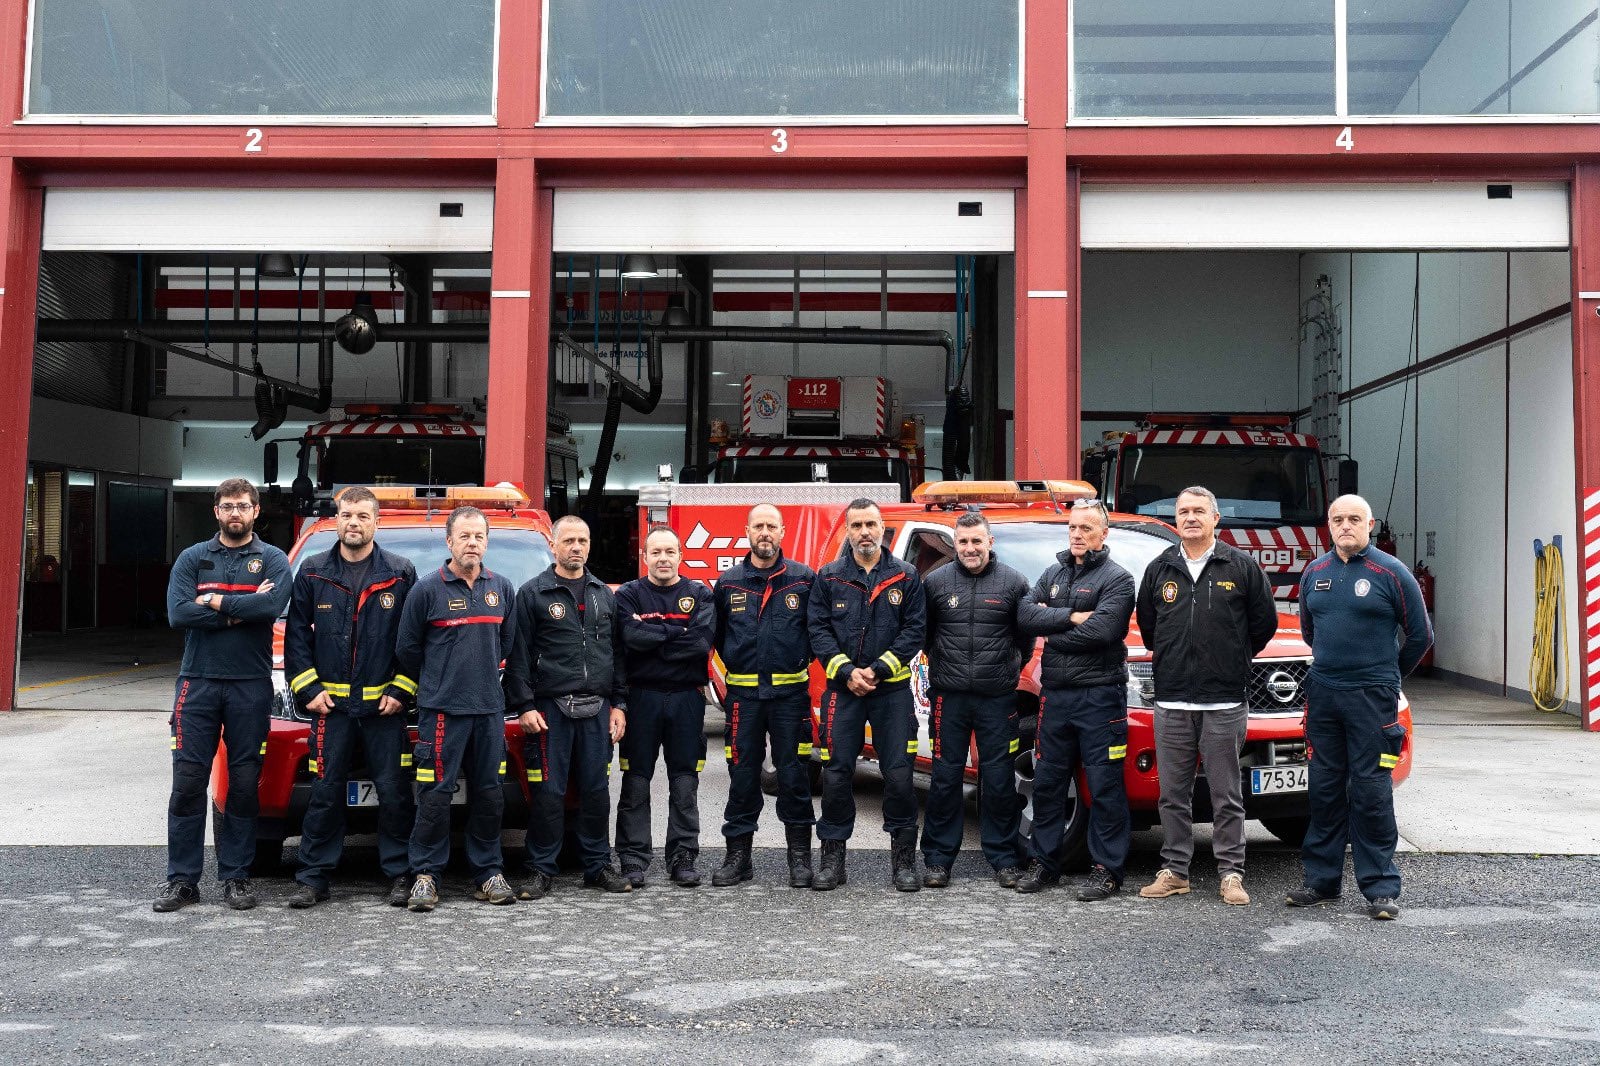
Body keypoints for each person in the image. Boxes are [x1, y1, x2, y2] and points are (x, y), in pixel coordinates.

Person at [1289, 494, 1431, 921]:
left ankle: (1380, 888)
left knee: (1370, 791)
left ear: (1369, 524)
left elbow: (1420, 636)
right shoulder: (1314, 572)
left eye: (1354, 519)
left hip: (1374, 700)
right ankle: (1321, 881)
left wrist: (1387, 676)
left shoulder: (1390, 572)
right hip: (1325, 694)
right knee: (1325, 789)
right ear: (1328, 526)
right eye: (1338, 519)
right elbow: (1310, 632)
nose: (1346, 525)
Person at [1135, 485, 1276, 906]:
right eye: (1183, 511)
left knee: (1225, 793)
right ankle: (1176, 871)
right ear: (1175, 520)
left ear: (1216, 519)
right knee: (1171, 794)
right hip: (1173, 699)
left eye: (1199, 511)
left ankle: (1231, 873)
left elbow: (1262, 625)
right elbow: (1148, 628)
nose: (1191, 517)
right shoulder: (1159, 568)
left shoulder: (1242, 565)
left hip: (1224, 700)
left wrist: (1231, 658)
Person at [156, 477, 290, 912]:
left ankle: (236, 876)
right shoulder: (193, 557)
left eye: (244, 506)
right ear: (217, 511)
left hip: (250, 686)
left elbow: (270, 609)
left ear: (256, 512)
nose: (236, 513)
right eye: (228, 506)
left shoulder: (272, 559)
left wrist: (212, 602)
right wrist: (241, 610)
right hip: (197, 683)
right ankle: (182, 881)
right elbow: (178, 614)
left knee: (245, 785)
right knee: (188, 783)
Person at [283, 486, 418, 909]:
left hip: (385, 712)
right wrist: (308, 690)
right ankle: (312, 877)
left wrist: (402, 690)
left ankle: (400, 874)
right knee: (325, 792)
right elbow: (296, 638)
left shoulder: (400, 572)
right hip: (332, 712)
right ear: (335, 520)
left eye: (362, 515)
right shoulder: (312, 571)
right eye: (346, 515)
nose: (353, 523)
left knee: (394, 793)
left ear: (376, 521)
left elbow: (413, 641)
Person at [394, 506, 518, 912]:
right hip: (442, 713)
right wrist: (441, 681)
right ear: (449, 542)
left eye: (478, 536)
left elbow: (509, 647)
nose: (472, 543)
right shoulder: (427, 590)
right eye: (463, 536)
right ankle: (426, 875)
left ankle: (488, 873)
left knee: (489, 795)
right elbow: (407, 650)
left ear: (486, 541)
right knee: (434, 794)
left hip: (488, 712)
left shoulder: (501, 587)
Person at [504, 515, 631, 899]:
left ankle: (597, 865)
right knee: (548, 792)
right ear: (554, 546)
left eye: (583, 540)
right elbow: (518, 656)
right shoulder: (531, 593)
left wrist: (619, 704)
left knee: (596, 791)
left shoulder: (603, 594)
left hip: (598, 708)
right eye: (570, 540)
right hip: (550, 710)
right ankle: (540, 868)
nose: (577, 547)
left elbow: (618, 655)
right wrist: (524, 705)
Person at [1015, 498, 1136, 899]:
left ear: (1104, 533)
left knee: (1104, 786)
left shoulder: (1118, 580)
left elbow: (1103, 631)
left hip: (1101, 697)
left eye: (1086, 528)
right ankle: (1044, 864)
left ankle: (1107, 870)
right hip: (1056, 697)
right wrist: (1071, 616)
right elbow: (1025, 615)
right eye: (1072, 528)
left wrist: (1055, 624)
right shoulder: (1052, 572)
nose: (1078, 535)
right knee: (1048, 783)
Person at [807, 497, 927, 892]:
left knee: (898, 774)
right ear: (847, 530)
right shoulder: (828, 576)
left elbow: (914, 632)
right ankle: (832, 860)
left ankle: (904, 862)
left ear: (881, 529)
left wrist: (875, 671)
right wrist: (845, 671)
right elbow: (818, 631)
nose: (864, 533)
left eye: (870, 525)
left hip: (890, 691)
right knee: (837, 774)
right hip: (843, 692)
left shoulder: (906, 576)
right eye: (856, 525)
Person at [917, 512, 1033, 889]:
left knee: (999, 780)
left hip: (997, 698)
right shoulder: (935, 582)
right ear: (955, 544)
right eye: (963, 542)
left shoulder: (1014, 583)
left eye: (976, 541)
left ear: (989, 542)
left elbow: (1025, 641)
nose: (970, 548)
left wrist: (1003, 671)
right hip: (948, 698)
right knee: (945, 779)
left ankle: (1003, 859)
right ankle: (937, 860)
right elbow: (925, 636)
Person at [713, 504, 819, 888]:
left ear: (783, 531)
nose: (765, 532)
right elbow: (718, 637)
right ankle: (738, 858)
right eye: (758, 526)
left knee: (794, 776)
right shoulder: (727, 583)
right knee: (742, 776)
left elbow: (816, 632)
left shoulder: (804, 580)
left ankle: (800, 860)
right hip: (744, 698)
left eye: (771, 526)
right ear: (747, 531)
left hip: (791, 696)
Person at [613, 525, 715, 888]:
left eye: (670, 552)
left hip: (687, 698)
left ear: (680, 556)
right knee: (636, 782)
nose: (663, 559)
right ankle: (632, 857)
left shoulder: (698, 593)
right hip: (642, 698)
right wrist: (677, 634)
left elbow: (701, 643)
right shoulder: (628, 595)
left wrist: (652, 638)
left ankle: (683, 856)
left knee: (684, 782)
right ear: (645, 557)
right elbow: (629, 637)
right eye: (655, 552)